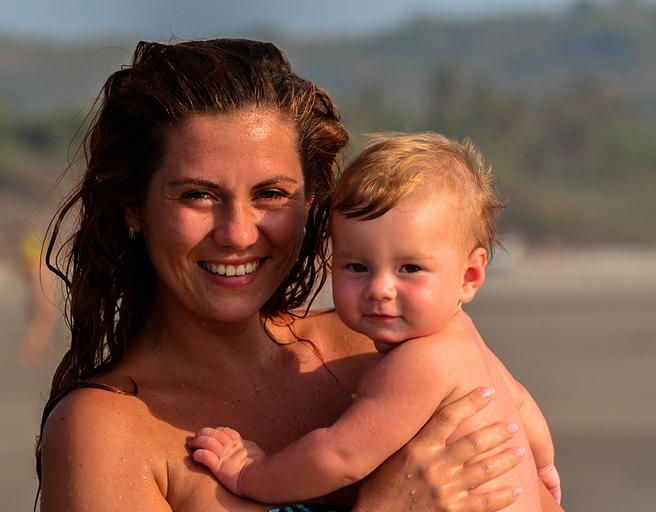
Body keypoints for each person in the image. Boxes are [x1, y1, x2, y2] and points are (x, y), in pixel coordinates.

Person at [37, 39, 561, 511]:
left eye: (271, 194)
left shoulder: (381, 344)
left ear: (312, 201)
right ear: (134, 204)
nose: (238, 233)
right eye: (198, 195)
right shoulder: (108, 431)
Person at [190, 132, 562, 509]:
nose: (380, 288)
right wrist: (543, 468)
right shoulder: (468, 343)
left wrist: (252, 473)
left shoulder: (421, 362)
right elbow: (522, 407)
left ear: (469, 276)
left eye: (409, 268)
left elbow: (340, 458)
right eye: (357, 267)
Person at [18, 230, 59, 365]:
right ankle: (31, 350)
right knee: (41, 321)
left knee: (43, 321)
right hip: (42, 296)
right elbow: (41, 288)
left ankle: (41, 349)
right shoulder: (37, 266)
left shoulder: (32, 266)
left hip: (39, 296)